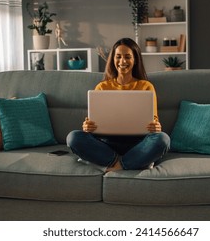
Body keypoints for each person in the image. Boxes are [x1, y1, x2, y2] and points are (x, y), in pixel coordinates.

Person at [66, 38, 170, 172]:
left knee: (163, 139)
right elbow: (93, 122)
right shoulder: (102, 87)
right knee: (73, 137)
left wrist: (156, 126)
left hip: (137, 143)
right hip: (106, 143)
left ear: (135, 60)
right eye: (118, 57)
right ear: (113, 59)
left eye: (128, 57)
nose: (122, 61)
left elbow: (153, 122)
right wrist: (88, 126)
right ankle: (128, 162)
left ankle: (116, 166)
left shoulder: (146, 86)